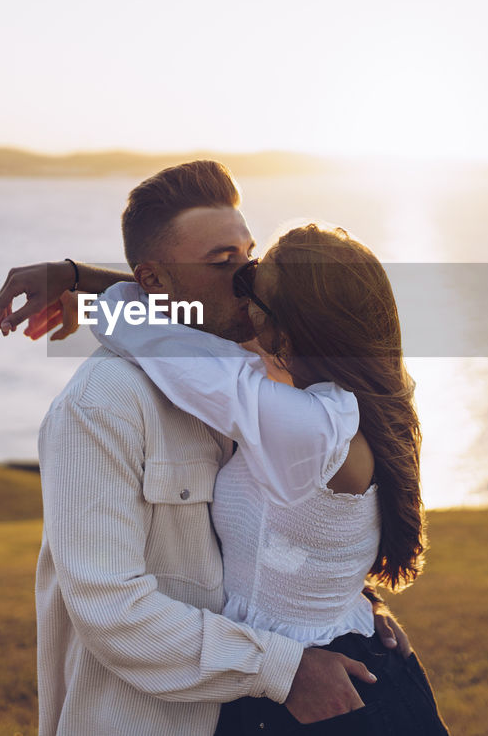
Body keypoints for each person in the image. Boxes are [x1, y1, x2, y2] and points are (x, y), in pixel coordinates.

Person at [0, 161, 412, 736]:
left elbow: (294, 532)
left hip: (285, 704)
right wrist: (291, 661)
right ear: (155, 281)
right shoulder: (103, 405)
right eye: (225, 263)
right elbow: (111, 609)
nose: (248, 280)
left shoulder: (263, 381)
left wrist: (344, 612)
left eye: (250, 257)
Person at [82, 222, 449, 735]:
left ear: (285, 330)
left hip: (315, 696)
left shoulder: (305, 427)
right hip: (352, 663)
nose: (239, 289)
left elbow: (143, 332)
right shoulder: (370, 392)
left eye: (252, 287)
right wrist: (80, 276)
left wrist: (95, 285)